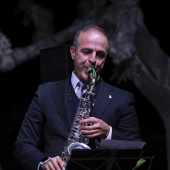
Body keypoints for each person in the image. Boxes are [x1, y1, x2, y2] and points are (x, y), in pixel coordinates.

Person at [13, 24, 141, 170]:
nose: (93, 60)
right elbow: (22, 145)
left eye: (100, 54)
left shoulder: (123, 99)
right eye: (86, 52)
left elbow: (135, 153)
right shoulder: (45, 92)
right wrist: (43, 162)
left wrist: (108, 133)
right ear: (73, 52)